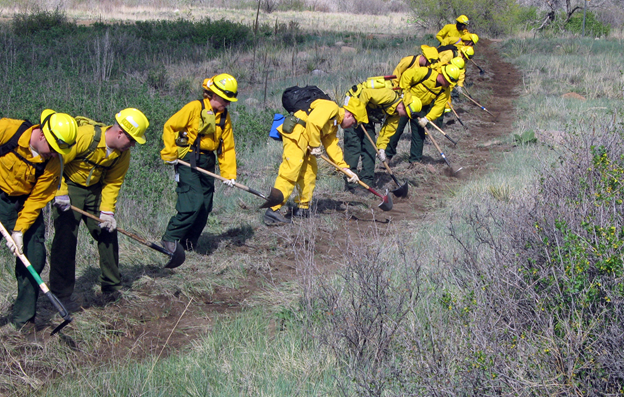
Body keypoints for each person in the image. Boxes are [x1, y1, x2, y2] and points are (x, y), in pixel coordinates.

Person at [49, 109, 149, 305]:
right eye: (132, 139)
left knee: (107, 232)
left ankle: (111, 287)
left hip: (95, 190)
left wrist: (107, 212)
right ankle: (60, 294)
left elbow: (113, 183)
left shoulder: (122, 154)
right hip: (69, 187)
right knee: (65, 239)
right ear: (120, 133)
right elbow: (56, 163)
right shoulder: (85, 136)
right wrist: (60, 193)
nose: (133, 145)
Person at [0, 110, 77, 330]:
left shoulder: (53, 162)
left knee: (33, 255)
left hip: (25, 204)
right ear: (42, 135)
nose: (55, 155)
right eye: (53, 149)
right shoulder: (8, 130)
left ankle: (23, 321)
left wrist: (19, 230)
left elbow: (37, 199)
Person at [160, 73, 238, 252]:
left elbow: (227, 147)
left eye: (230, 100)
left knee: (205, 207)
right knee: (192, 203)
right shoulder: (194, 108)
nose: (227, 104)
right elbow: (170, 126)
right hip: (189, 160)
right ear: (213, 94)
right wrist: (170, 153)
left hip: (208, 162)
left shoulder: (224, 116)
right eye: (225, 99)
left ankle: (188, 244)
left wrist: (229, 174)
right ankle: (169, 238)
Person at [264, 96, 368, 225]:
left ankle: (303, 207)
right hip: (296, 134)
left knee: (309, 172)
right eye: (354, 123)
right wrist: (315, 145)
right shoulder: (332, 108)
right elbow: (313, 122)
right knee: (291, 171)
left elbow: (331, 146)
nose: (351, 126)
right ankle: (273, 210)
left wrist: (346, 169)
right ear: (349, 115)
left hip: (307, 139)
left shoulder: (334, 123)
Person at [343, 79, 422, 192]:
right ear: (403, 106)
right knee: (353, 146)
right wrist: (358, 115)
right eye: (407, 114)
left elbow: (387, 132)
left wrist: (381, 149)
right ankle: (351, 185)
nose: (405, 116)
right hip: (354, 106)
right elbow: (366, 94)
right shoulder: (389, 96)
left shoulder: (396, 115)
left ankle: (367, 184)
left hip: (366, 114)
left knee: (370, 148)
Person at [385, 64, 461, 164]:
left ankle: (415, 161)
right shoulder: (426, 73)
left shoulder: (444, 90)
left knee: (419, 134)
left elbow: (439, 107)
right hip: (406, 103)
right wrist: (404, 93)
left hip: (421, 107)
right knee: (396, 129)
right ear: (442, 74)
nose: (448, 84)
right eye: (447, 81)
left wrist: (427, 118)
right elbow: (407, 75)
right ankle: (387, 156)